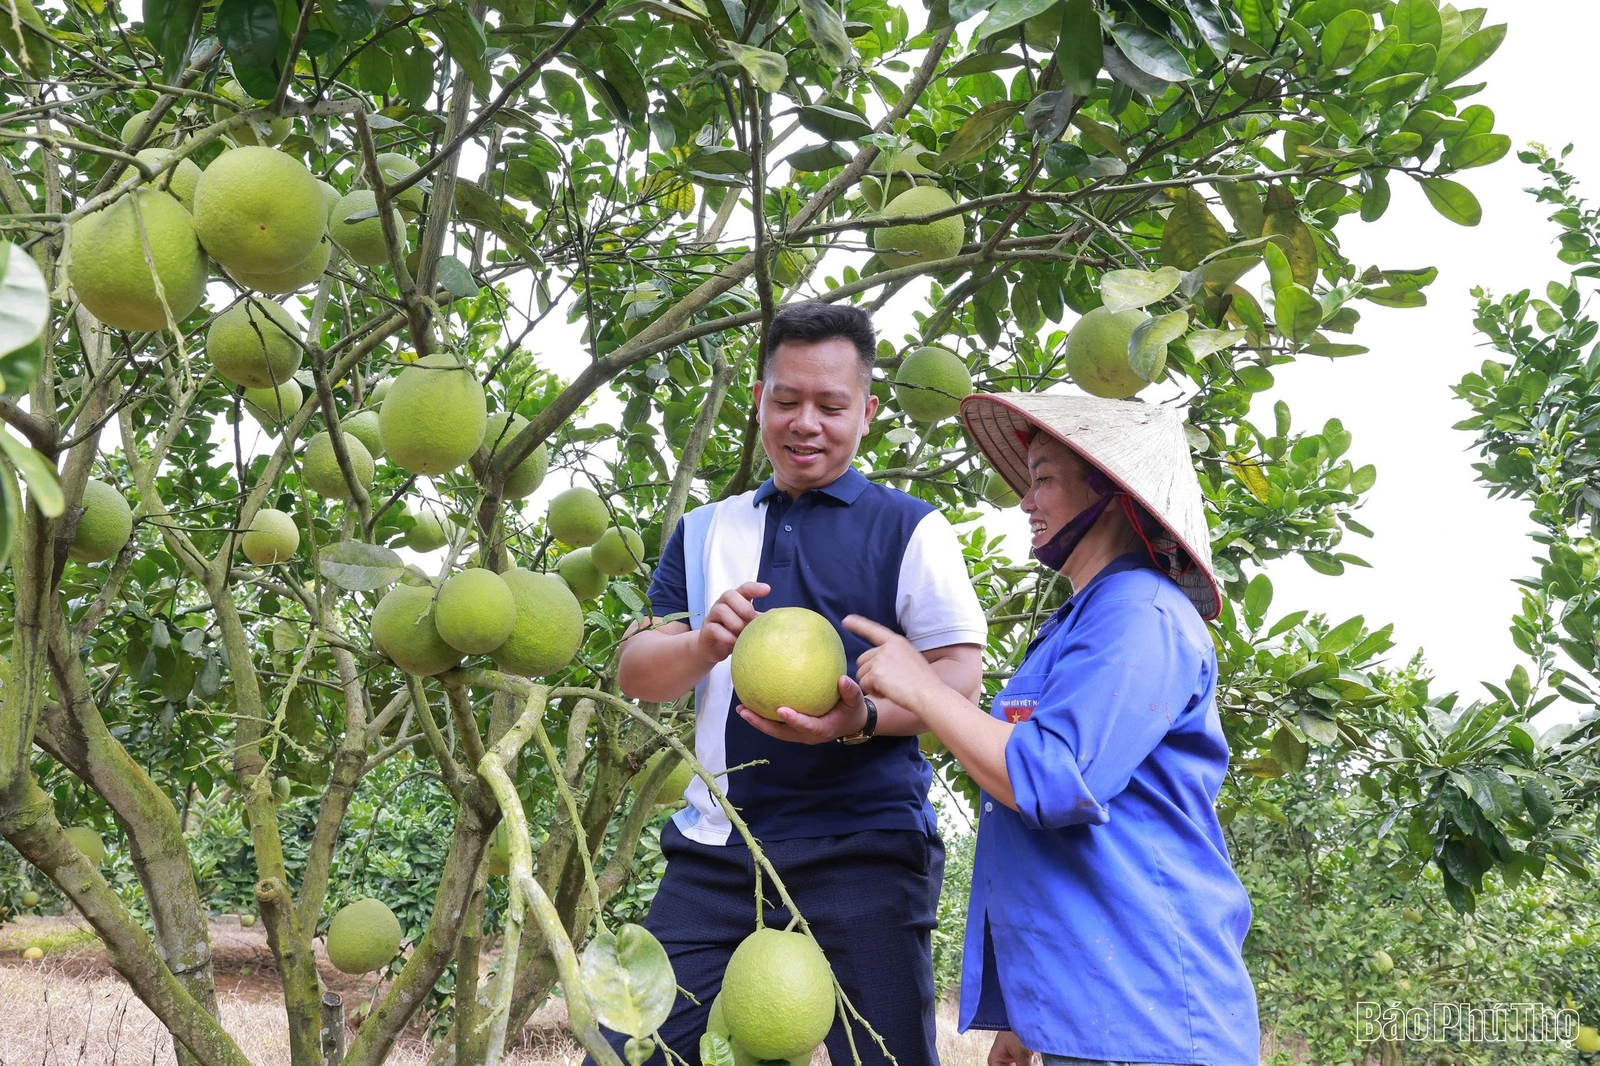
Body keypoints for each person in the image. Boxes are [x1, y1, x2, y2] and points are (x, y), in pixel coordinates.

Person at [605, 301, 987, 1066]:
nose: (805, 422)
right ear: (759, 400)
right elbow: (637, 672)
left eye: (830, 405)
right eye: (786, 401)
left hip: (865, 847)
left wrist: (862, 717)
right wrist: (705, 644)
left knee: (886, 1056)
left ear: (868, 412)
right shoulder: (709, 529)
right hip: (721, 845)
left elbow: (960, 681)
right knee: (630, 1050)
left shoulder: (912, 529)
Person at [845, 392, 1261, 1066]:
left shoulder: (1141, 613)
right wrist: (1029, 1013)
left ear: (1115, 495)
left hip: (1150, 1017)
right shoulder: (1080, 624)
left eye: (1042, 479)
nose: (1025, 501)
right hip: (1097, 1012)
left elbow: (1047, 777)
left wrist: (921, 687)